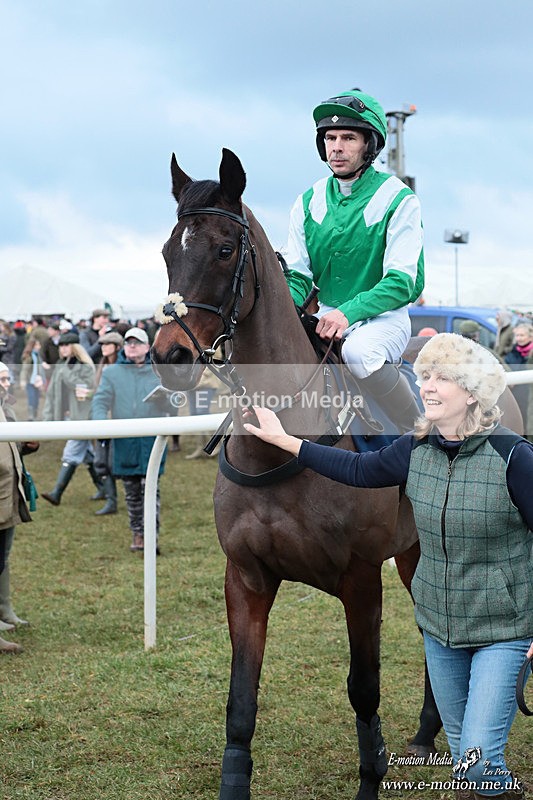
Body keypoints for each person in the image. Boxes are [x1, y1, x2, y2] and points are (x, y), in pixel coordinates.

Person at [243, 333, 532, 800]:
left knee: (478, 762)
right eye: (425, 377)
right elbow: (359, 470)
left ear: (474, 393)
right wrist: (285, 440)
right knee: (468, 763)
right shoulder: (416, 448)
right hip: (441, 631)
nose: (427, 388)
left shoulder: (515, 456)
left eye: (443, 379)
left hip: (504, 630)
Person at [282, 88, 425, 432]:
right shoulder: (307, 201)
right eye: (330, 137)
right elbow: (298, 276)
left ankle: (418, 434)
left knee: (359, 354)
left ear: (369, 145)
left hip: (382, 322)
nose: (337, 146)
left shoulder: (399, 199)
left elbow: (403, 282)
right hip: (325, 317)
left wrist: (349, 312)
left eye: (348, 137)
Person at [91, 327, 169, 552]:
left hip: (151, 444)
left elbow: (173, 405)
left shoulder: (158, 372)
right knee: (132, 494)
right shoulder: (111, 373)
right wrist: (100, 423)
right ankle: (137, 535)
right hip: (125, 444)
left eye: (137, 342)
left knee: (151, 491)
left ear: (147, 347)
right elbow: (100, 401)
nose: (132, 346)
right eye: (128, 343)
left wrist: (165, 400)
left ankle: (151, 537)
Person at [0, 361, 37, 654]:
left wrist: (26, 445)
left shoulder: (5, 406)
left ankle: (4, 613)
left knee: (3, 557)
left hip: (9, 492)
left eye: (6, 378)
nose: (5, 384)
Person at [40, 332, 102, 506]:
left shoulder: (84, 365)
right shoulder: (61, 365)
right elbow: (52, 395)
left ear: (75, 346)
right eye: (61, 345)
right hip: (69, 417)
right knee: (88, 455)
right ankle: (104, 487)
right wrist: (48, 419)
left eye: (66, 345)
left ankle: (57, 493)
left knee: (71, 452)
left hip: (83, 417)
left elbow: (87, 388)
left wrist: (67, 372)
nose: (63, 348)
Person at [91, 330, 124, 515]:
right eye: (102, 344)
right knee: (101, 462)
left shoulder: (122, 368)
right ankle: (111, 500)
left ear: (117, 347)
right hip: (103, 421)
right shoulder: (102, 366)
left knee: (116, 464)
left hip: (120, 422)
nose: (103, 347)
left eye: (107, 344)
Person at [504, 322, 533, 433]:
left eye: (522, 335)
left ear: (530, 336)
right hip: (516, 394)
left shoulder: (531, 355)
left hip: (529, 395)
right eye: (517, 335)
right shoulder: (513, 352)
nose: (519, 338)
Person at [19, 336, 46, 420]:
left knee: (37, 400)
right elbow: (24, 370)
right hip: (30, 381)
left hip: (37, 381)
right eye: (37, 345)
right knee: (32, 398)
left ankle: (34, 415)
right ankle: (31, 416)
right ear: (33, 346)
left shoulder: (38, 356)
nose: (39, 347)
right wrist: (22, 380)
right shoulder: (29, 357)